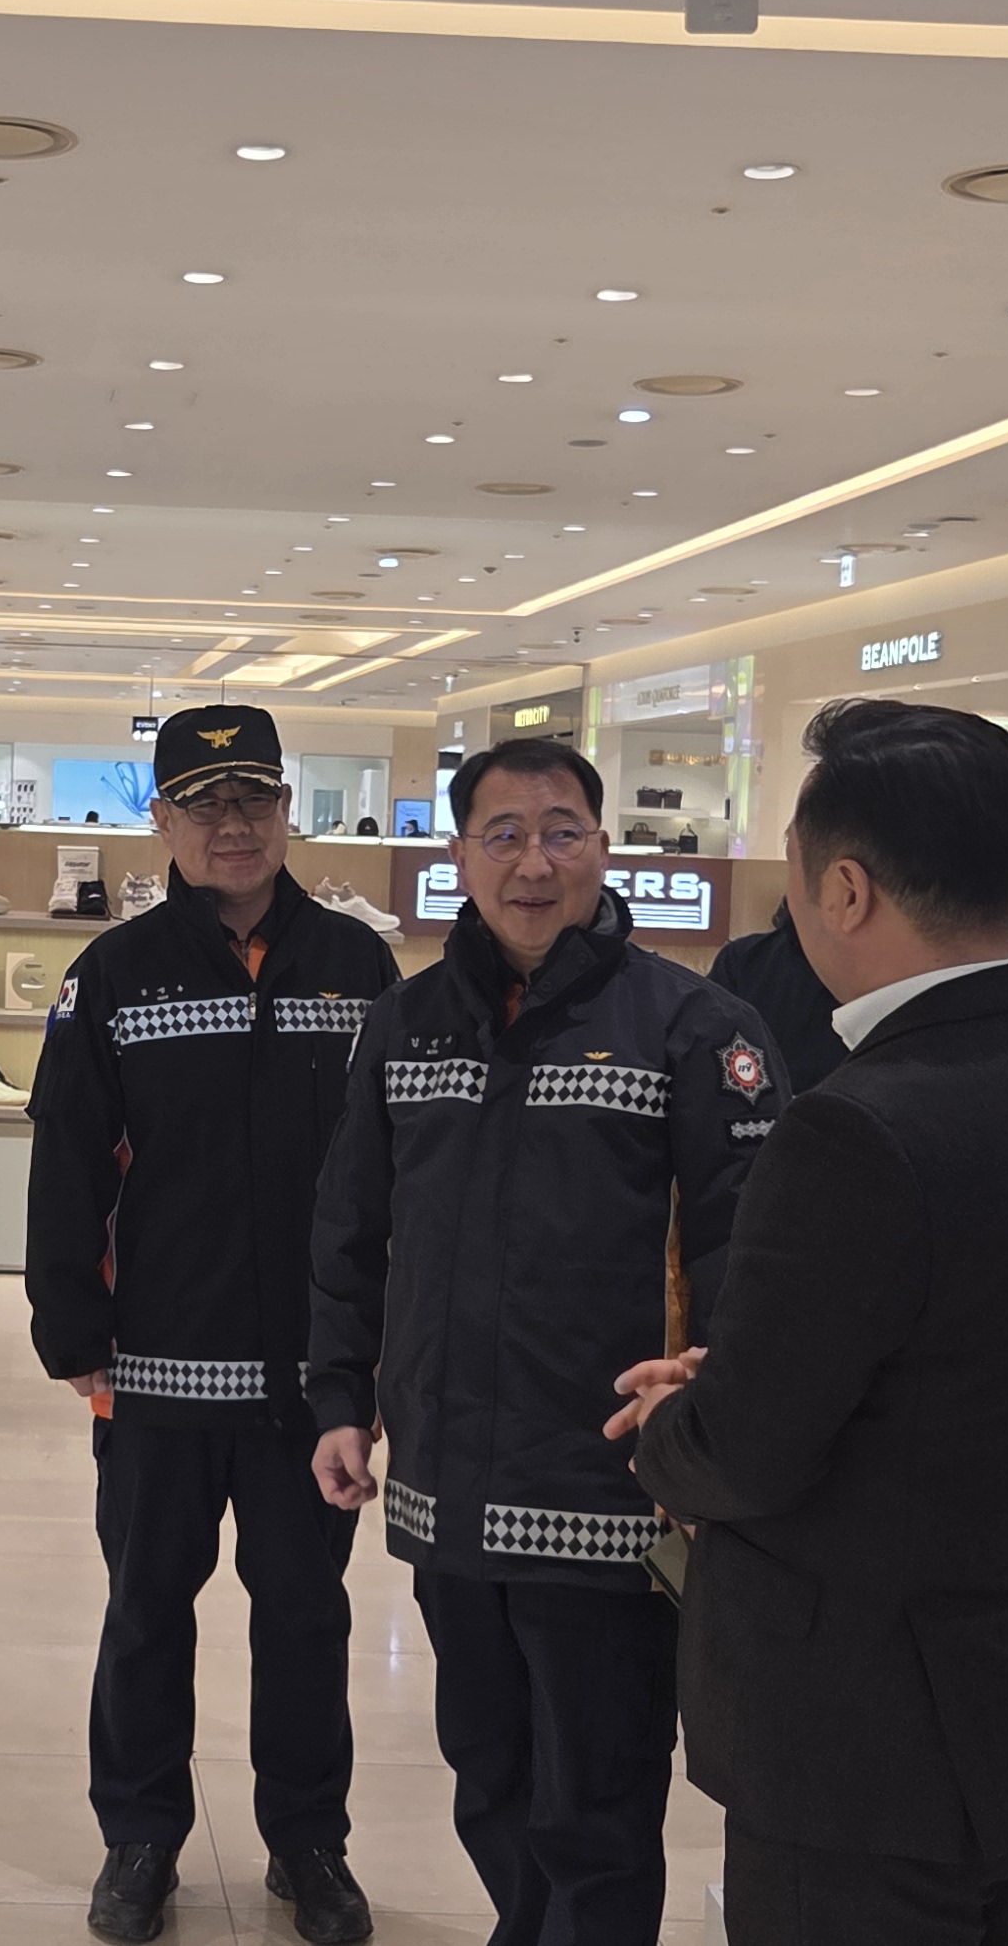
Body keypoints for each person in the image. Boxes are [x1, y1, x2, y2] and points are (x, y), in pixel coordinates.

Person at [614, 699, 1008, 1946]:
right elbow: (959, 1346)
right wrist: (756, 1369)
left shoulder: (854, 1126)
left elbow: (745, 1452)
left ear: (845, 888)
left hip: (863, 1740)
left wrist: (672, 1423)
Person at [310, 736, 787, 1946]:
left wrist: (716, 1441)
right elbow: (351, 1228)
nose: (535, 862)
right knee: (487, 1769)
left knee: (598, 1794)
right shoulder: (405, 1023)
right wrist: (340, 1397)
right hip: (447, 1482)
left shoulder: (694, 1027)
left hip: (607, 1487)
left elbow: (746, 1260)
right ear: (460, 855)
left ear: (603, 847)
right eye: (505, 834)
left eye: (562, 831)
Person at [28, 704, 401, 1945]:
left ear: (287, 809)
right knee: (146, 1610)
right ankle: (139, 1836)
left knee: (305, 1614)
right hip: (157, 1366)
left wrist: (380, 1345)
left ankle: (308, 1841)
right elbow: (68, 1159)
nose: (231, 822)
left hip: (311, 1373)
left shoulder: (358, 966)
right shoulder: (113, 974)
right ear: (163, 820)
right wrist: (71, 1324)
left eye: (253, 797)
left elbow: (394, 1167)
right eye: (204, 801)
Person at [706, 902, 845, 1095]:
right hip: (753, 1105)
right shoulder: (742, 960)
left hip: (853, 1104)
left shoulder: (879, 968)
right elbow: (707, 1055)